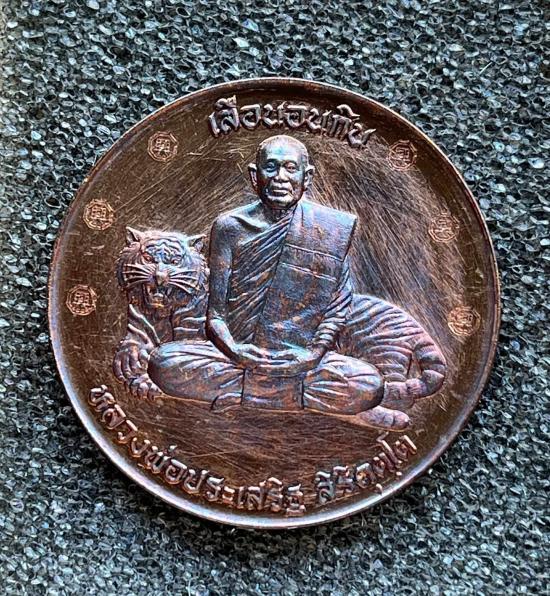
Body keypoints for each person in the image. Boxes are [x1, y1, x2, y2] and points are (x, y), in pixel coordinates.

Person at [148, 135, 410, 430]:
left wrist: (310, 356)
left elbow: (336, 311)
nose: (280, 177)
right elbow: (216, 316)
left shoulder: (330, 230)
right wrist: (236, 351)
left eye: (290, 168)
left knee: (368, 383)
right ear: (254, 175)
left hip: (302, 361)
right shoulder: (230, 227)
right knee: (162, 363)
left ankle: (247, 393)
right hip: (238, 358)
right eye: (271, 167)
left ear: (306, 177)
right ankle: (299, 399)